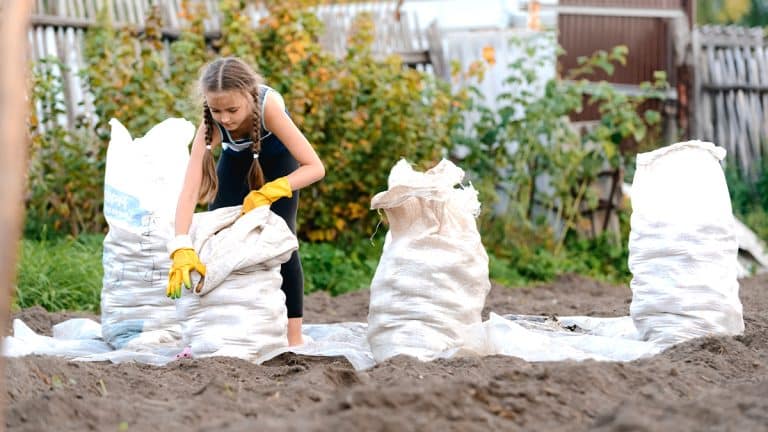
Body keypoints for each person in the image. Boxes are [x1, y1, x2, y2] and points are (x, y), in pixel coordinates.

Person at [166, 57, 325, 346]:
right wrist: (180, 245)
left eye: (232, 110)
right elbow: (189, 191)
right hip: (239, 160)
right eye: (217, 110)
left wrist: (271, 191)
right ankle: (220, 325)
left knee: (282, 239)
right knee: (218, 233)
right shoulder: (209, 126)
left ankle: (294, 337)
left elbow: (315, 166)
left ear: (249, 97)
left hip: (279, 163)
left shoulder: (269, 108)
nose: (224, 118)